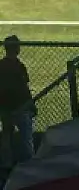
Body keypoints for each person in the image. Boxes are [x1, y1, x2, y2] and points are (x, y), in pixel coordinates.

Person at [0, 35, 34, 163]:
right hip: (21, 107)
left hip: (5, 107)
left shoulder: (1, 65)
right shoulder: (19, 66)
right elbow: (24, 87)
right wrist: (30, 103)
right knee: (26, 139)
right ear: (16, 48)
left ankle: (6, 165)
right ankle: (29, 165)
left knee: (6, 137)